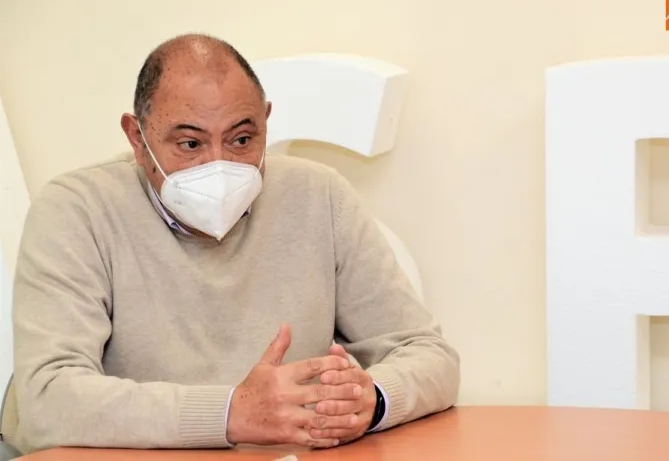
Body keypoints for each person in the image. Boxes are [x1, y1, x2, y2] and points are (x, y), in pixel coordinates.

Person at [10, 33, 460, 454]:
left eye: (242, 139)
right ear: (137, 138)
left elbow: (430, 355)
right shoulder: (76, 210)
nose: (220, 165)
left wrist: (372, 399)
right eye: (190, 143)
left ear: (266, 121)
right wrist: (230, 414)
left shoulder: (320, 195)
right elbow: (46, 400)